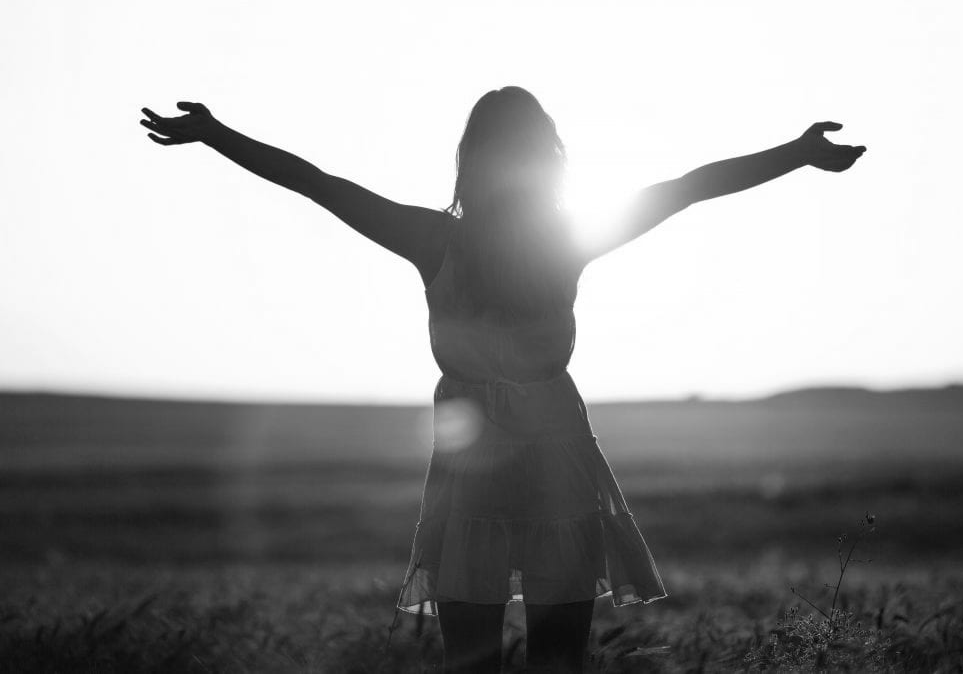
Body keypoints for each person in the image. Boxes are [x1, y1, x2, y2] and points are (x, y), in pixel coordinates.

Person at [140, 88, 865, 673]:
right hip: (495, 469)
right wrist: (217, 134)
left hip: (542, 469)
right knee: (494, 660)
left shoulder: (529, 239)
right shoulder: (464, 241)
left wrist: (799, 153)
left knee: (532, 660)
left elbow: (687, 188)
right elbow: (318, 184)